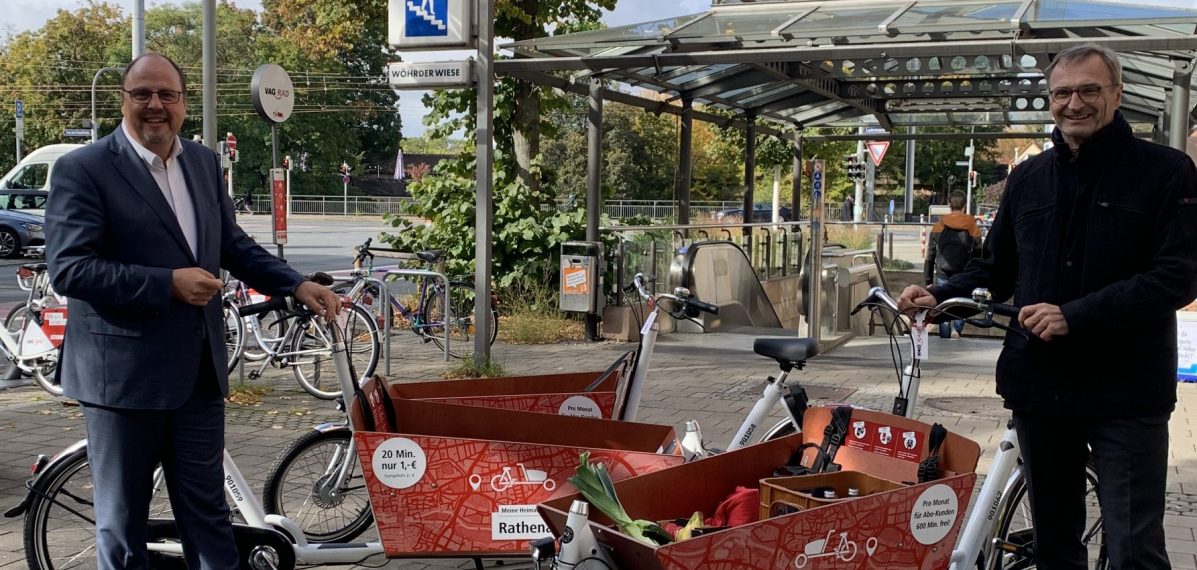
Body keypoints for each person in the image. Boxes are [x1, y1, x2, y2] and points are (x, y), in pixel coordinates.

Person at [898, 43, 1197, 569]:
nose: (1074, 103)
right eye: (1062, 93)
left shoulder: (1167, 172)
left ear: (1117, 94)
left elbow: (1179, 277)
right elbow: (995, 270)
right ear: (1050, 100)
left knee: (1134, 547)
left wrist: (1075, 314)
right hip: (1041, 386)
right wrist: (939, 295)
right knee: (1055, 545)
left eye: (1089, 90)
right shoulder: (1029, 178)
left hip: (1126, 392)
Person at [44, 52, 342, 570]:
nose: (155, 105)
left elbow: (231, 243)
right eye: (143, 94)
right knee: (123, 524)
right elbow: (71, 269)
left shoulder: (203, 163)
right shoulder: (83, 168)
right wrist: (167, 285)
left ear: (183, 103)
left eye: (167, 95)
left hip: (199, 374)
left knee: (208, 515)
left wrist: (293, 284)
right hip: (122, 383)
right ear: (124, 100)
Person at [923, 191, 982, 338]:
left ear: (949, 204)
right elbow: (978, 255)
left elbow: (930, 255)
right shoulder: (972, 226)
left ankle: (944, 337)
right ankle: (957, 329)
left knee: (942, 304)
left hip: (943, 272)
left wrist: (928, 280)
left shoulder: (939, 225)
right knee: (962, 302)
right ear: (964, 205)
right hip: (963, 274)